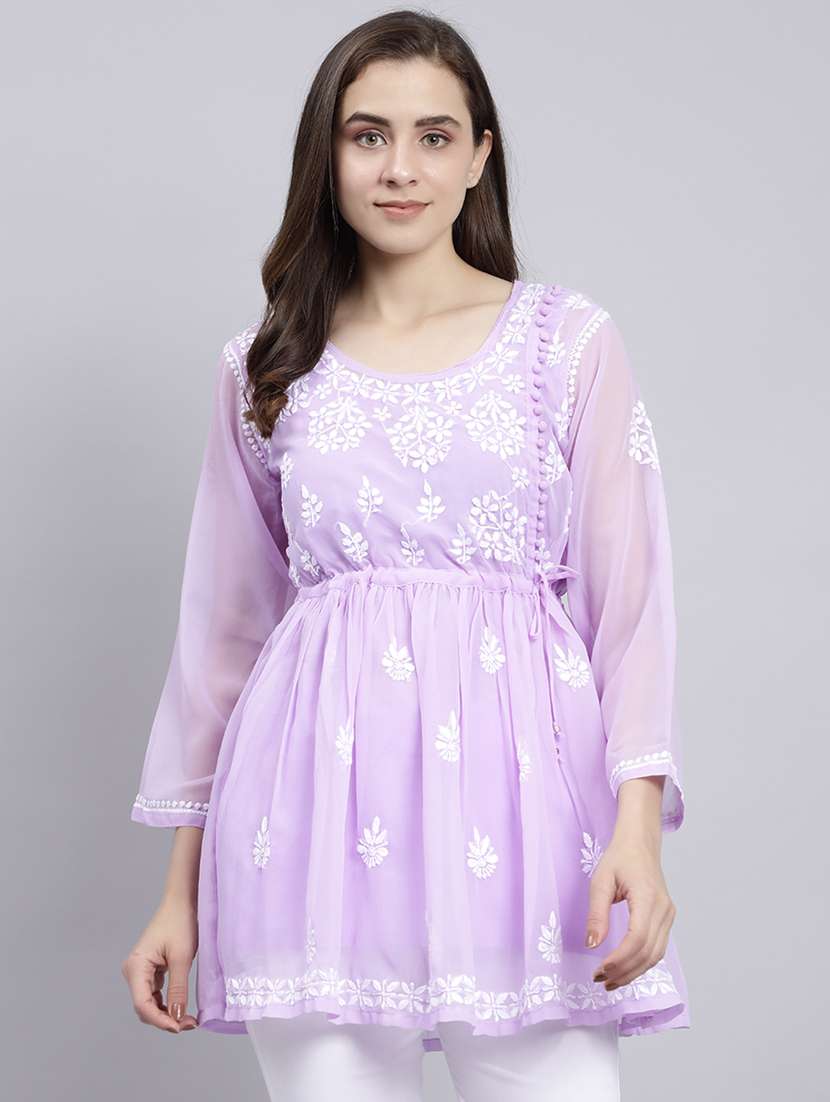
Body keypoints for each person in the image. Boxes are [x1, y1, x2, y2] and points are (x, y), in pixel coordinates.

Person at [121, 9, 689, 1100]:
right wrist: (178, 894)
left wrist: (638, 835)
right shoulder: (266, 365)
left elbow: (632, 608)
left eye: (435, 137)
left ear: (478, 158)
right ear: (326, 154)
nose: (399, 168)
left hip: (530, 834)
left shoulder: (566, 344)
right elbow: (221, 640)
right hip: (307, 832)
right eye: (367, 134)